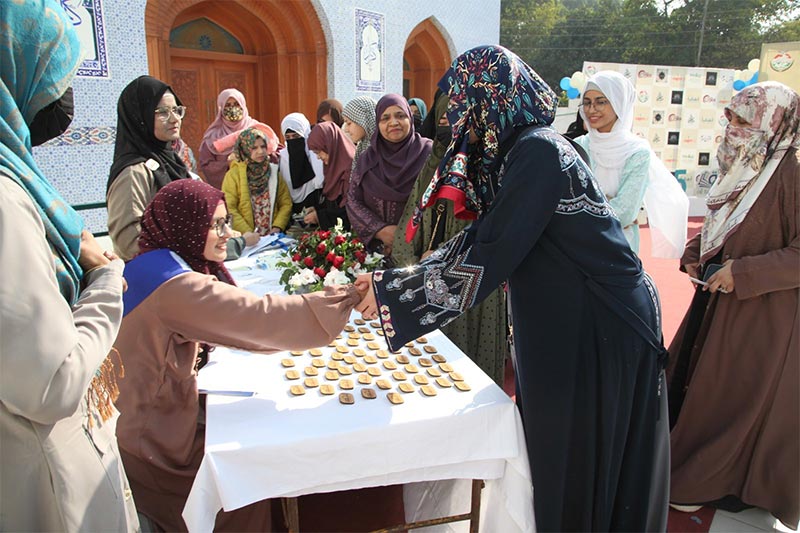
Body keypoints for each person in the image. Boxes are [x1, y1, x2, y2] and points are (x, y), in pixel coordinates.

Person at [356, 45, 669, 532]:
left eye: (465, 104)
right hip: (569, 316)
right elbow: (484, 235)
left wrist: (394, 295)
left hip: (599, 322)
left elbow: (493, 248)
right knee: (561, 451)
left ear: (492, 101)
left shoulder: (539, 151)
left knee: (580, 452)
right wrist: (393, 284)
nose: (458, 119)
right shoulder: (516, 153)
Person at [114, 179, 361, 531]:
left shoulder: (153, 261)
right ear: (186, 224)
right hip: (155, 444)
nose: (227, 233)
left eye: (226, 221)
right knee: (243, 485)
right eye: (215, 224)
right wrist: (345, 299)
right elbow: (261, 319)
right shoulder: (175, 287)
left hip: (143, 422)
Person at [0, 1, 137, 530]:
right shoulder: (6, 202)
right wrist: (104, 279)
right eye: (57, 77)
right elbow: (51, 383)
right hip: (46, 478)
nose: (64, 96)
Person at [666, 82, 799, 528]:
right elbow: (721, 223)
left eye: (745, 121)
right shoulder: (748, 160)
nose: (734, 128)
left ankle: (704, 482)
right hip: (717, 300)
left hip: (763, 315)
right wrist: (695, 253)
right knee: (696, 386)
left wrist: (741, 273)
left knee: (733, 401)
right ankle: (693, 471)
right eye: (732, 118)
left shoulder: (794, 170)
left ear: (774, 123)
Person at [392, 91, 508, 386]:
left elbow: (498, 226)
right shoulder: (433, 163)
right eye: (441, 116)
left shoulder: (490, 166)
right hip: (431, 276)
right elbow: (412, 217)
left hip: (479, 277)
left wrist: (446, 257)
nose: (446, 121)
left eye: (454, 115)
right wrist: (412, 266)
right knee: (432, 371)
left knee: (473, 368)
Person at [574, 71, 688, 258]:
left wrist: (582, 210)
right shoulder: (578, 145)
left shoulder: (636, 151)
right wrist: (602, 203)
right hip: (576, 247)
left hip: (618, 247)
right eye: (587, 102)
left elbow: (625, 212)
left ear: (619, 102)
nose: (591, 109)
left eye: (601, 102)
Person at [106, 75, 190, 261]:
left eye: (176, 110)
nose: (174, 119)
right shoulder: (134, 172)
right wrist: (189, 248)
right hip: (159, 271)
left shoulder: (172, 161)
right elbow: (129, 242)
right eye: (162, 112)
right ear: (140, 117)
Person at [346, 94, 432, 256]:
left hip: (421, 251)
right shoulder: (367, 159)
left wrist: (407, 236)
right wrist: (380, 230)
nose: (393, 122)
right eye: (385, 118)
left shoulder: (429, 154)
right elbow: (353, 200)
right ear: (378, 124)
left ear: (410, 118)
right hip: (376, 252)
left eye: (400, 116)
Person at [221, 126, 292, 235]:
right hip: (246, 238)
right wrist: (248, 233)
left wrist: (277, 226)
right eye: (254, 148)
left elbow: (285, 203)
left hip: (271, 237)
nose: (260, 151)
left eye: (263, 146)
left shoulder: (273, 172)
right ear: (244, 149)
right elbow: (229, 208)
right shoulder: (233, 176)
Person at [198, 88, 260, 189]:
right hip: (227, 191)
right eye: (227, 105)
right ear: (221, 108)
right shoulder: (212, 136)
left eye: (236, 104)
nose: (233, 109)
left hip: (255, 188)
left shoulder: (255, 128)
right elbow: (206, 164)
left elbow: (273, 151)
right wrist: (227, 164)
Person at [305, 121, 355, 230]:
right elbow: (332, 200)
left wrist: (319, 217)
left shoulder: (351, 169)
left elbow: (351, 212)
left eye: (319, 152)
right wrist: (317, 210)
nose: (318, 157)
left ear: (330, 146)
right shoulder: (332, 167)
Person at [280, 112, 325, 216]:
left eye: (296, 136)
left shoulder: (317, 157)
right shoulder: (283, 159)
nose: (292, 141)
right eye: (288, 138)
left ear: (306, 135)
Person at [342, 95, 377, 176]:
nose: (346, 129)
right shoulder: (362, 148)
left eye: (349, 123)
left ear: (363, 120)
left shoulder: (378, 152)